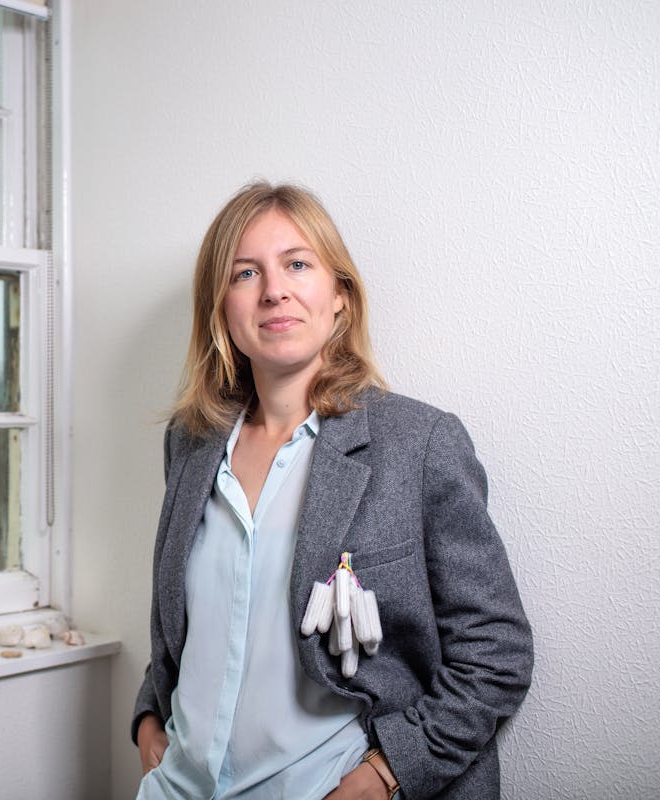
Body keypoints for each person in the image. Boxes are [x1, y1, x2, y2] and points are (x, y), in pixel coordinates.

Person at [133, 182, 532, 799]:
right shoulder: (190, 443)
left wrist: (385, 773)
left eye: (297, 264)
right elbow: (200, 621)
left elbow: (495, 653)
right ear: (221, 308)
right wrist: (148, 716)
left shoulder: (418, 443)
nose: (274, 290)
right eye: (245, 273)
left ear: (340, 296)